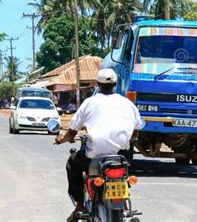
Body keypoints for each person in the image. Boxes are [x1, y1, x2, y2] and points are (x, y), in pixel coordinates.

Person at [54, 68, 142, 222]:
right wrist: (129, 141)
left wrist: (61, 139)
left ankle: (80, 205)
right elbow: (136, 129)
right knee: (125, 172)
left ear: (98, 85)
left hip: (95, 156)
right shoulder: (128, 104)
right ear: (115, 84)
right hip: (121, 156)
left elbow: (72, 132)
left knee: (72, 164)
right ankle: (124, 205)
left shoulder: (89, 102)